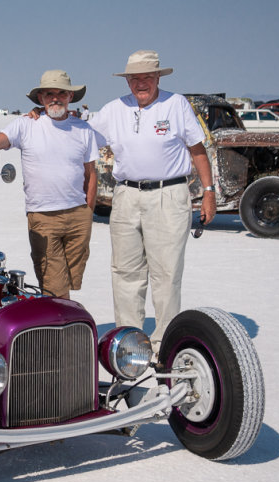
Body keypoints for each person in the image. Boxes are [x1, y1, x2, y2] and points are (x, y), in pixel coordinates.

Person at [87, 50, 217, 351]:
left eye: (147, 77)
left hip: (168, 195)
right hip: (126, 195)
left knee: (166, 273)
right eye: (134, 78)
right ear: (127, 81)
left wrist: (209, 193)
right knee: (125, 272)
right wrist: (44, 120)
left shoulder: (176, 104)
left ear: (158, 77)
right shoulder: (114, 109)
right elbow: (83, 137)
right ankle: (129, 345)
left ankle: (164, 345)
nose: (140, 83)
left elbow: (198, 150)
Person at [0, 70, 98, 300]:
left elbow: (91, 173)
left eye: (61, 93)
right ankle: (61, 330)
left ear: (70, 96)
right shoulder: (26, 125)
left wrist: (88, 211)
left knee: (70, 281)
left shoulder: (83, 129)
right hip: (44, 218)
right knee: (54, 286)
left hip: (79, 217)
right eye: (49, 93)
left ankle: (62, 324)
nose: (55, 98)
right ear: (41, 98)